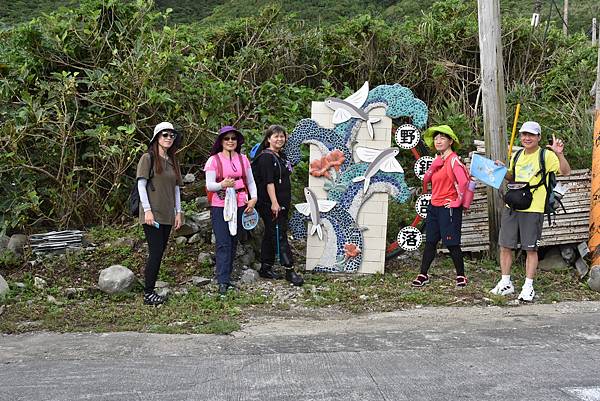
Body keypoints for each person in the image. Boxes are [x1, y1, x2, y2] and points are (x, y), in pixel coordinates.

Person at [491, 121, 571, 302]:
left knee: (530, 248)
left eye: (531, 135)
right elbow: (512, 176)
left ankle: (528, 286)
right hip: (512, 206)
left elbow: (566, 172)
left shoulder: (546, 156)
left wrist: (559, 154)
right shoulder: (518, 155)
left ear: (538, 137)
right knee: (505, 245)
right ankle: (505, 282)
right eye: (524, 135)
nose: (527, 138)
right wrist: (503, 170)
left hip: (533, 208)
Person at [412, 125, 469, 288]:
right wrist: (433, 166)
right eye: (436, 138)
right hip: (434, 206)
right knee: (430, 242)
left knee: (451, 243)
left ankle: (461, 276)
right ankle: (423, 274)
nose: (438, 141)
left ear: (450, 141)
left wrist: (457, 202)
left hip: (448, 207)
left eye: (442, 138)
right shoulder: (438, 160)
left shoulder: (454, 161)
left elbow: (464, 182)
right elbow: (425, 180)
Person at [204, 126, 258, 295]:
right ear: (221, 141)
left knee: (234, 240)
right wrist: (222, 184)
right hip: (221, 204)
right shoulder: (213, 160)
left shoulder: (243, 159)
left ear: (237, 141)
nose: (230, 141)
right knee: (223, 242)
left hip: (241, 203)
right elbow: (209, 185)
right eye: (226, 138)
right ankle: (222, 280)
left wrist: (254, 198)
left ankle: (227, 278)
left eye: (233, 138)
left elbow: (250, 181)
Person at [137, 122, 183, 305]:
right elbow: (141, 184)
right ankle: (148, 293)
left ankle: (151, 289)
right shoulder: (148, 158)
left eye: (172, 135)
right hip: (152, 213)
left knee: (160, 252)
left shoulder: (172, 160)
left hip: (167, 214)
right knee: (155, 252)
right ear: (157, 137)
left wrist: (178, 212)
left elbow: (177, 189)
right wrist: (147, 210)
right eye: (165, 135)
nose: (169, 138)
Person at [251, 125, 304, 286]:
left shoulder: (280, 156)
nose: (280, 139)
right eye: (276, 136)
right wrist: (274, 203)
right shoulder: (266, 157)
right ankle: (289, 270)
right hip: (270, 204)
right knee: (280, 234)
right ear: (268, 139)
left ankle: (265, 267)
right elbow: (269, 182)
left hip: (282, 203)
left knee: (271, 233)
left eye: (282, 136)